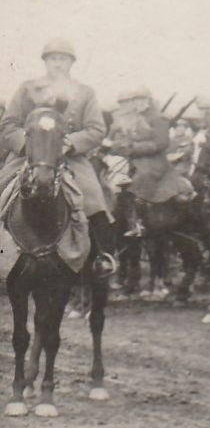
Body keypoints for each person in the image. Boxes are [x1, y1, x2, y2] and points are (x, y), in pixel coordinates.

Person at [0, 39, 116, 276]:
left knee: (94, 200)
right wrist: (29, 147)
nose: (58, 64)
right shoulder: (26, 88)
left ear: (71, 63)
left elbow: (96, 129)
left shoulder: (84, 93)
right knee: (2, 192)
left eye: (63, 59)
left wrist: (69, 144)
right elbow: (9, 125)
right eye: (53, 58)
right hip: (28, 157)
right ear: (45, 61)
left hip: (69, 158)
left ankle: (101, 257)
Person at [109, 88, 195, 236]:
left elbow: (161, 143)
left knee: (139, 179)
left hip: (152, 161)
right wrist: (120, 146)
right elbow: (119, 140)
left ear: (149, 101)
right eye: (136, 100)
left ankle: (137, 222)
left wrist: (134, 148)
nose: (139, 103)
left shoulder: (159, 118)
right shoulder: (131, 119)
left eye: (143, 100)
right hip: (129, 158)